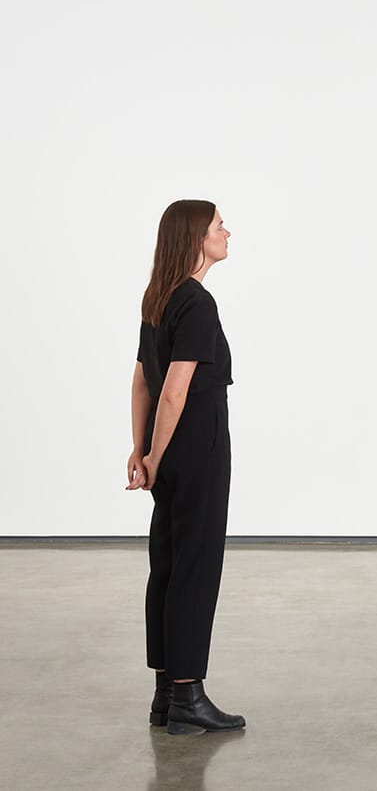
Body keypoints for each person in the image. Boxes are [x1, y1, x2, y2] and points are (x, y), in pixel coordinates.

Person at [126, 199, 245, 735]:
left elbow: (140, 382)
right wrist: (153, 451)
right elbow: (172, 390)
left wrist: (143, 450)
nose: (227, 231)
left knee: (169, 565)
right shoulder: (197, 302)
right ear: (197, 236)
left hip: (167, 451)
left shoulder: (159, 298)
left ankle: (164, 695)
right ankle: (188, 700)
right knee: (195, 567)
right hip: (196, 447)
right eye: (220, 224)